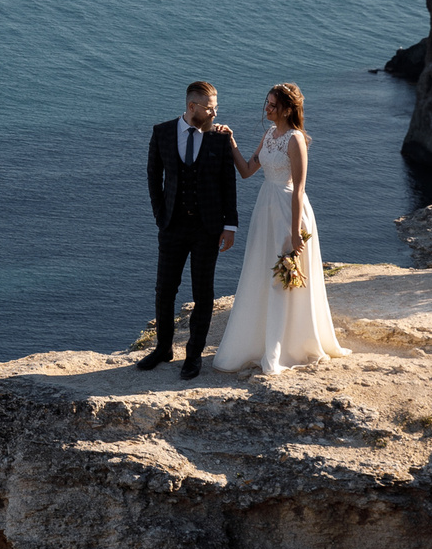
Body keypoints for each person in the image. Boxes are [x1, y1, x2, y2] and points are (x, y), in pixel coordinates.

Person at [211, 82, 348, 375]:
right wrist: (230, 141)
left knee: (284, 275)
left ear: (287, 109)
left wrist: (296, 232)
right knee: (263, 270)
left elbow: (299, 188)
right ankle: (261, 339)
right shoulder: (270, 135)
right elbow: (248, 171)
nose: (267, 109)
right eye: (268, 103)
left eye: (272, 105)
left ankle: (289, 343)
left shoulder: (295, 140)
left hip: (289, 210)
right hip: (266, 209)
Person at [137, 81, 242, 381]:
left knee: (203, 293)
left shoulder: (220, 139)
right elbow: (153, 176)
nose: (215, 112)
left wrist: (229, 226)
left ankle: (193, 356)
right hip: (172, 225)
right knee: (164, 289)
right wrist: (161, 216)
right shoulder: (162, 133)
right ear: (192, 107)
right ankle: (163, 349)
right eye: (210, 107)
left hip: (207, 228)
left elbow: (229, 184)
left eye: (216, 107)